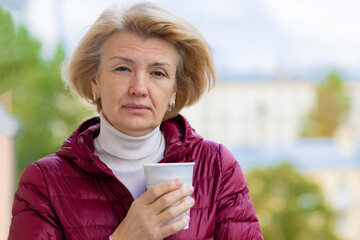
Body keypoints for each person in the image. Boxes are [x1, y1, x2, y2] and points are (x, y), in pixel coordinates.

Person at [8, 2, 263, 240]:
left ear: (174, 91)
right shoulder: (44, 182)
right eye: (123, 69)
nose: (139, 88)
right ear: (95, 81)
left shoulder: (216, 167)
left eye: (158, 73)